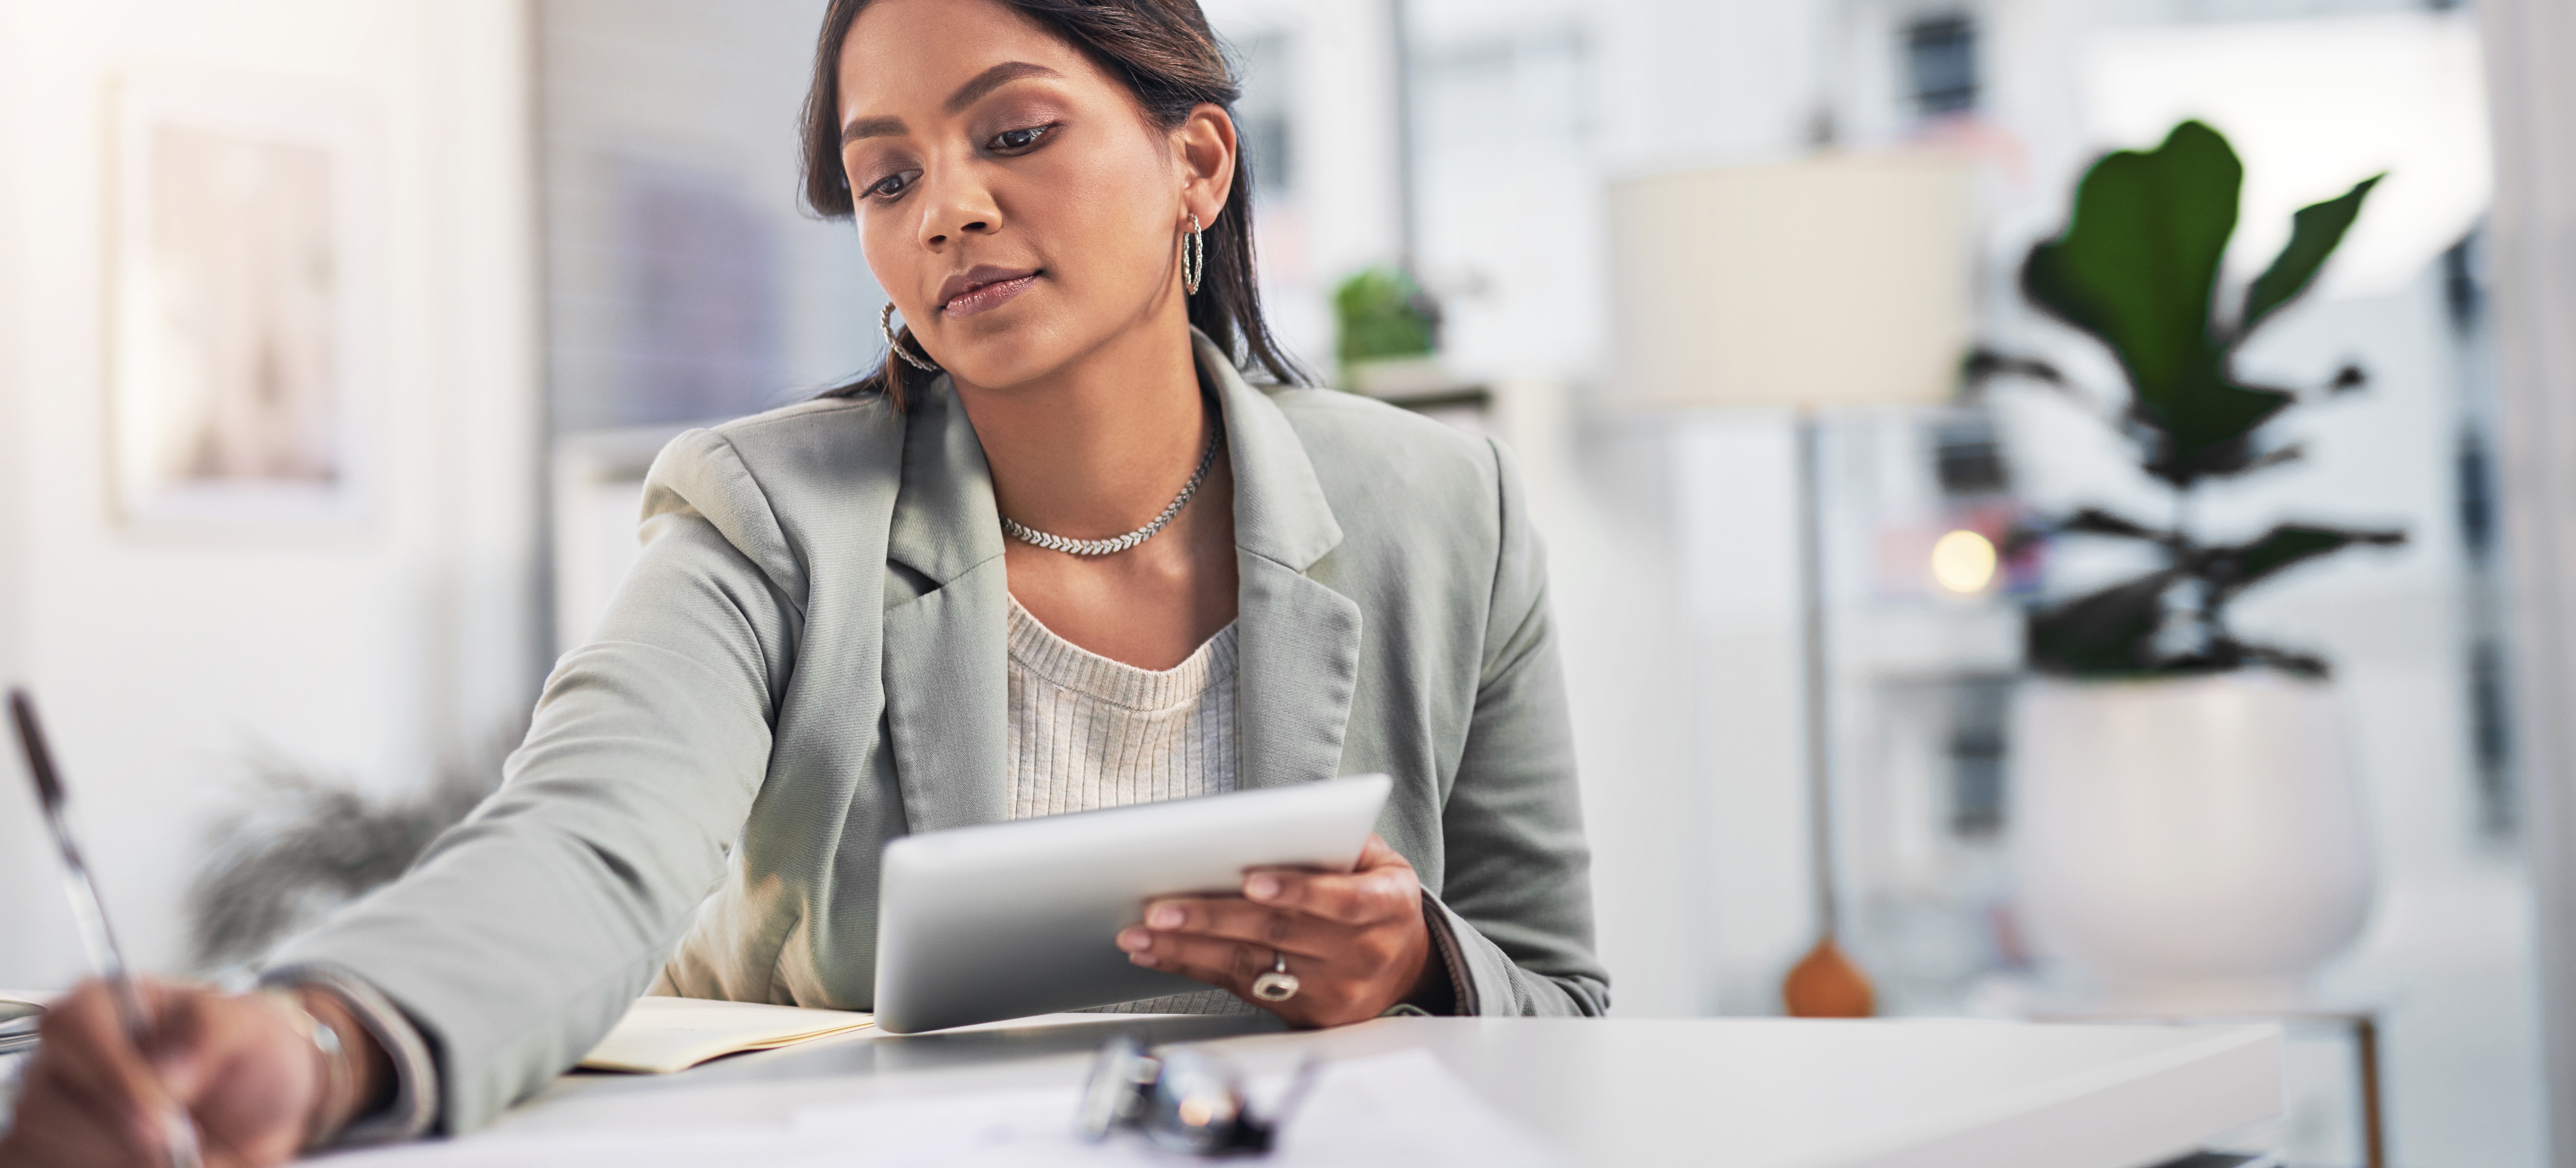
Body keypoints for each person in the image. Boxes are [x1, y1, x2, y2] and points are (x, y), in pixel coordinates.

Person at [0, 0, 1605, 1161]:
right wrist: (317, 1036)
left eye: (1017, 133)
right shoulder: (767, 511)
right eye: (887, 175)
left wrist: (1424, 962)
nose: (948, 210)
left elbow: (1572, 1010)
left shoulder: (1441, 505)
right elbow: (580, 845)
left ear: (1197, 163)